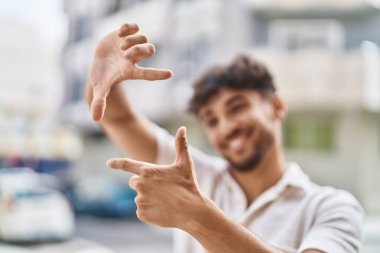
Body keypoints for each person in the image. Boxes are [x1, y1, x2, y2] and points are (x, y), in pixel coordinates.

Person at [85, 23, 363, 253]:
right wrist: (100, 71)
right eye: (212, 120)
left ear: (277, 106)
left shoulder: (329, 206)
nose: (226, 127)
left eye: (237, 107)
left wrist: (195, 214)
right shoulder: (194, 178)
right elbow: (118, 118)